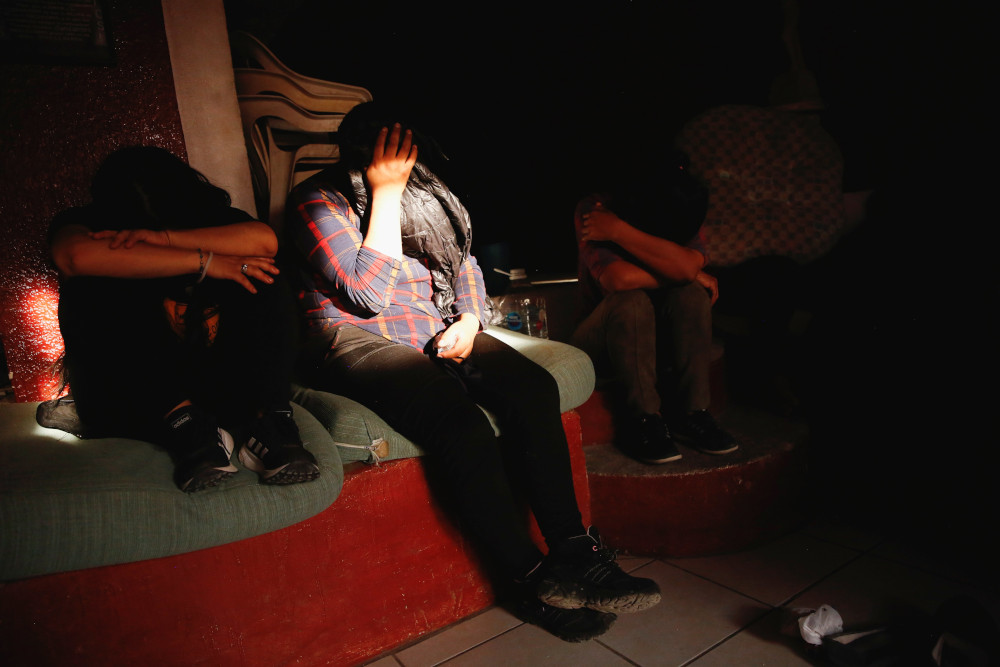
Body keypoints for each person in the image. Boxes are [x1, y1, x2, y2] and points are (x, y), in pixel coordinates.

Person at [287, 102, 660, 642]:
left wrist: (467, 317)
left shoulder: (427, 194)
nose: (409, 170)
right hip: (353, 336)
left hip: (435, 326)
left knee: (533, 387)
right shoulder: (318, 200)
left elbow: (463, 262)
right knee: (459, 423)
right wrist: (384, 194)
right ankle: (528, 579)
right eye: (398, 160)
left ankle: (575, 555)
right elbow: (366, 294)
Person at [48, 145, 319, 492]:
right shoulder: (88, 225)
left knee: (260, 271)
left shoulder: (211, 220)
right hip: (137, 397)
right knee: (92, 282)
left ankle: (273, 423)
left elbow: (264, 242)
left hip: (220, 390)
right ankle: (188, 428)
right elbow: (73, 256)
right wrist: (204, 262)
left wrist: (165, 239)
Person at [571, 151, 739, 464]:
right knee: (632, 302)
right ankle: (643, 420)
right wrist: (683, 271)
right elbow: (618, 279)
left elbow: (690, 265)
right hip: (603, 340)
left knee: (689, 294)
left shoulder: (680, 202)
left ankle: (693, 414)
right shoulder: (597, 209)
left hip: (661, 338)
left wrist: (624, 234)